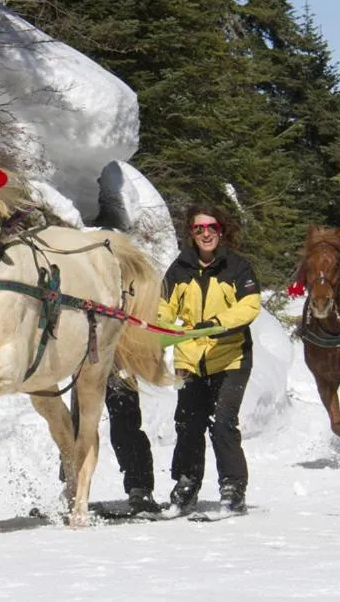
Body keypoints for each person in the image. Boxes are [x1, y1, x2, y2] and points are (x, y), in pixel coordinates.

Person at [158, 204, 261, 514]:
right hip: (190, 359)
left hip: (230, 358)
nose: (205, 234)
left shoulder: (237, 267)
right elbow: (163, 308)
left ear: (221, 230)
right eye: (198, 229)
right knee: (188, 424)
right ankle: (187, 483)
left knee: (223, 422)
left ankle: (233, 487)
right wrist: (162, 327)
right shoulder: (179, 270)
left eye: (211, 227)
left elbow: (250, 306)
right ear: (191, 233)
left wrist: (217, 323)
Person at [104, 371, 159, 514]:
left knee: (124, 426)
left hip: (119, 362)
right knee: (77, 428)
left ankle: (140, 486)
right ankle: (72, 484)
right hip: (82, 361)